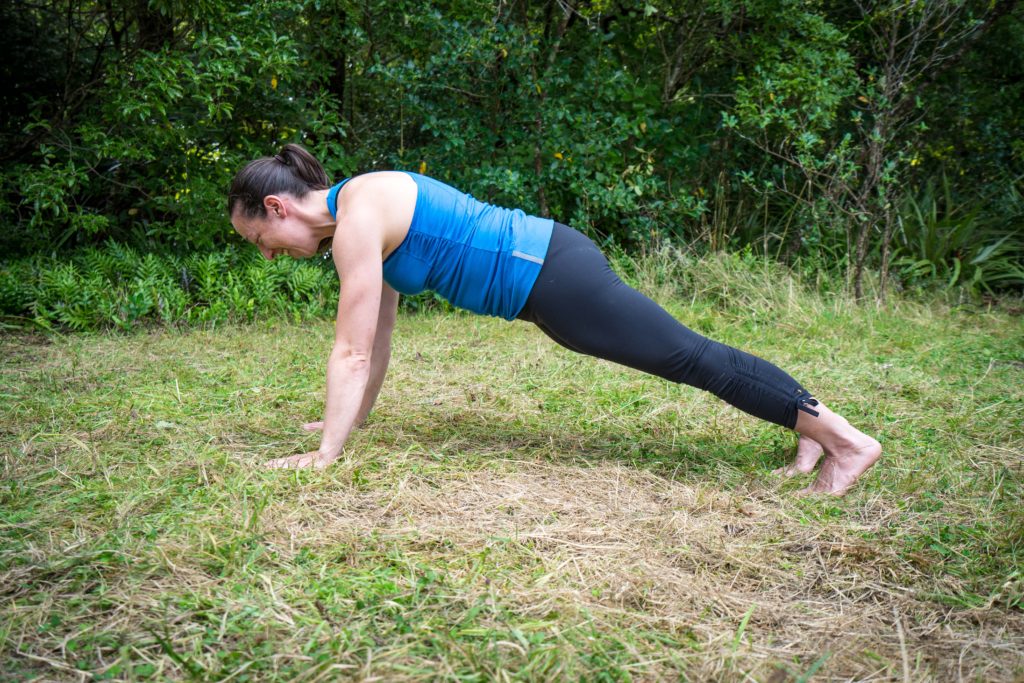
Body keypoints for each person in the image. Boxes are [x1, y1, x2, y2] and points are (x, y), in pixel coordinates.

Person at [227, 144, 881, 494]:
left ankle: (847, 443)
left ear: (278, 208)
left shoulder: (358, 215)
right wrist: (354, 419)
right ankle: (808, 423)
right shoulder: (360, 211)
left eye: (259, 238)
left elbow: (348, 351)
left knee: (685, 356)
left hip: (551, 273)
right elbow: (376, 336)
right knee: (687, 351)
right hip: (545, 280)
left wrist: (324, 455)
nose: (270, 253)